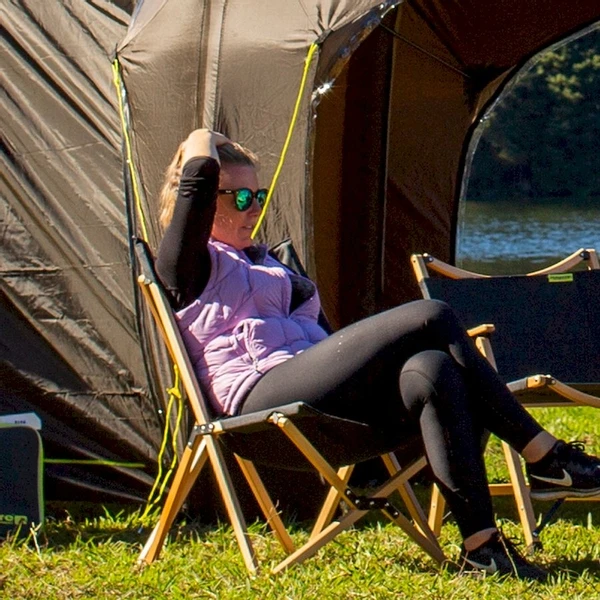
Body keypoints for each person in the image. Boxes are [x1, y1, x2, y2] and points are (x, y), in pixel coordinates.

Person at [156, 128, 600, 581]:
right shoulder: (187, 264)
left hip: (325, 410)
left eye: (259, 196)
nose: (254, 208)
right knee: (431, 315)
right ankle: (546, 457)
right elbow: (198, 175)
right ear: (206, 201)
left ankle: (482, 549)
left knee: (433, 368)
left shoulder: (270, 262)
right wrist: (201, 135)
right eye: (240, 197)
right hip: (261, 411)